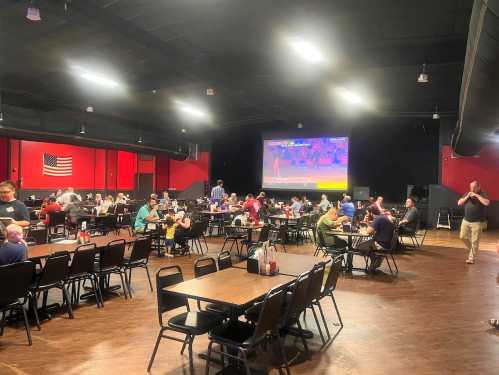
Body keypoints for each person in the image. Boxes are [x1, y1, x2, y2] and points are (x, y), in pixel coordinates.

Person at [458, 181, 490, 264]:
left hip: (477, 222)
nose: (472, 189)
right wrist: (467, 196)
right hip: (466, 220)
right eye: (471, 187)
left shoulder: (482, 194)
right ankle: (472, 250)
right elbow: (459, 203)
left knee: (475, 241)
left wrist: (476, 195)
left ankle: (471, 258)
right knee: (462, 237)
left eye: (474, 187)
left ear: (478, 187)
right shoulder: (467, 194)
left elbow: (487, 203)